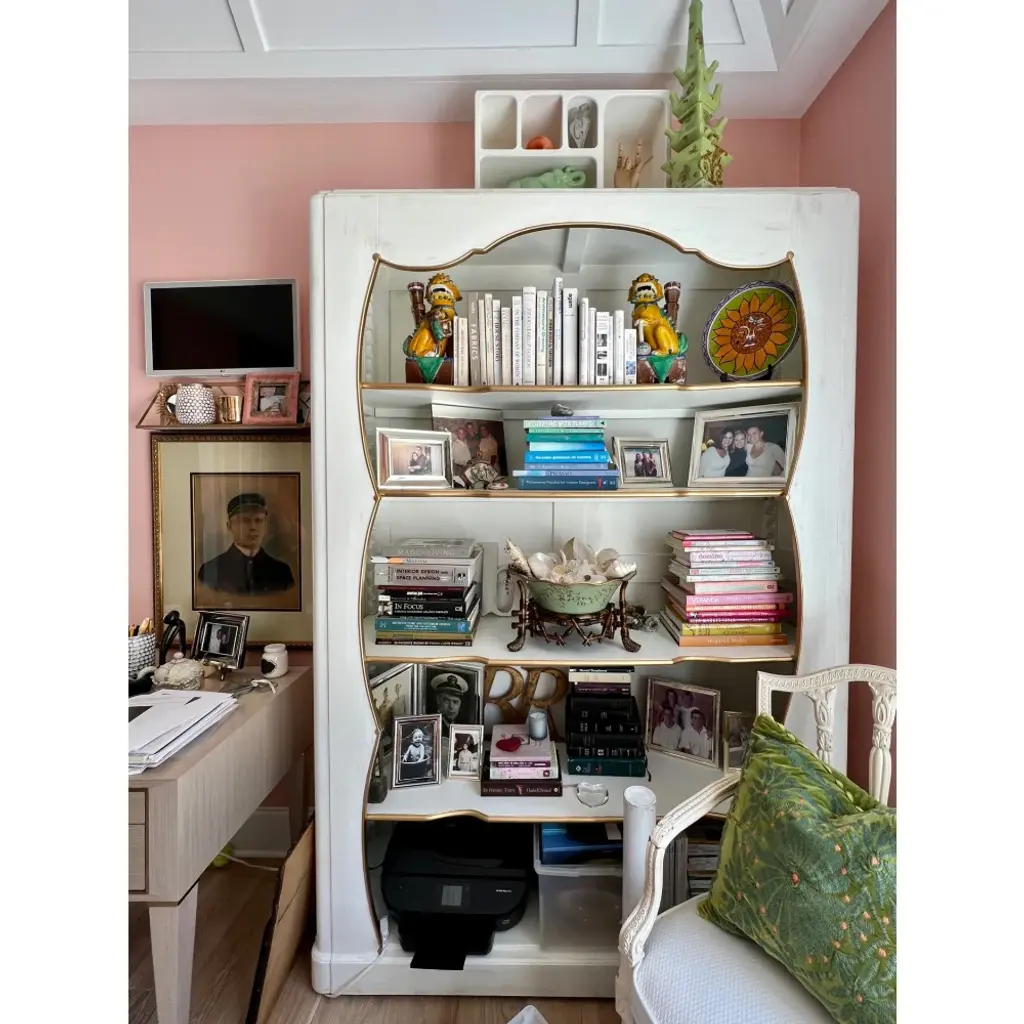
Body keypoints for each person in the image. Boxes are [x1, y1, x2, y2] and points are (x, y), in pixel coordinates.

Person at [197, 493, 295, 595]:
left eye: (258, 520)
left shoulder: (281, 572)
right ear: (229, 526)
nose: (253, 527)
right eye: (245, 521)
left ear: (265, 526)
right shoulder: (210, 571)